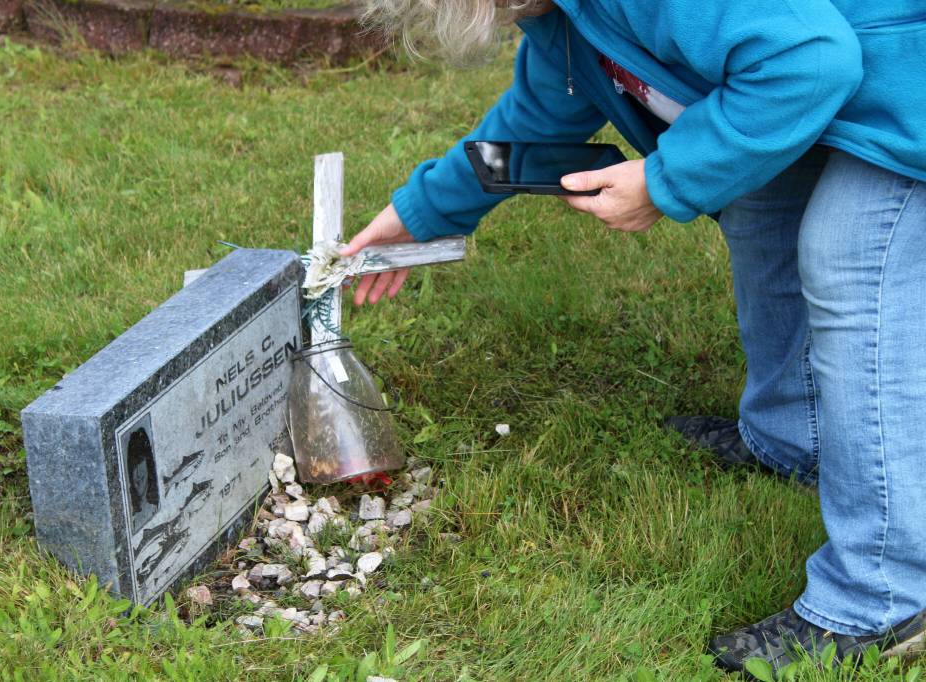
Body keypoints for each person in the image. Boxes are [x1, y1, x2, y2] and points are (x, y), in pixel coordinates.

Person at [343, 0, 926, 673]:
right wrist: (420, 213)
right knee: (756, 201)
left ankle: (885, 594)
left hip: (906, 87)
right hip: (848, 89)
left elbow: (812, 62)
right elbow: (538, 119)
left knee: (851, 252)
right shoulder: (562, 21)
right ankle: (795, 438)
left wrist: (662, 179)